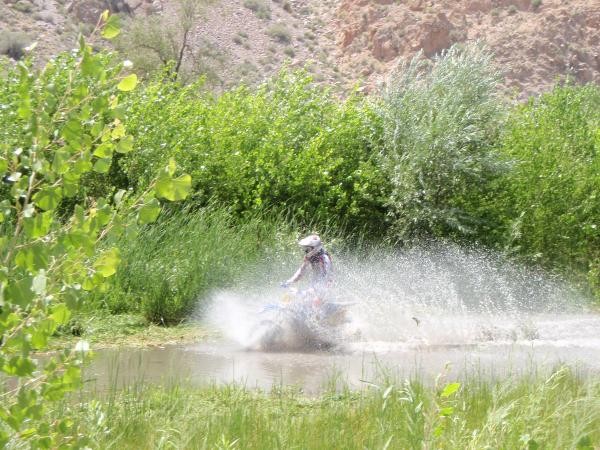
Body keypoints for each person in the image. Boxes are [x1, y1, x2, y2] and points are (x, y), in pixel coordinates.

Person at [281, 234, 332, 304]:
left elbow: (325, 278)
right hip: (315, 283)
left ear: (314, 248)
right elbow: (301, 271)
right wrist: (289, 282)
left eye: (307, 249)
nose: (305, 251)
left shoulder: (324, 258)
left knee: (314, 301)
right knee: (291, 294)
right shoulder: (311, 256)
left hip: (324, 286)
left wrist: (310, 291)